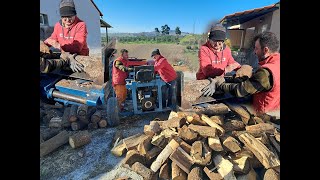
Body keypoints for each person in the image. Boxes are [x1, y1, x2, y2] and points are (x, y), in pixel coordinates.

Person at [201, 31, 280, 116]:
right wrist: (225, 78)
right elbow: (254, 80)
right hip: (275, 109)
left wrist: (219, 83)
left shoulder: (266, 72)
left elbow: (241, 90)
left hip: (264, 114)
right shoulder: (276, 63)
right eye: (214, 42)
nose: (254, 52)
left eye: (256, 48)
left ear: (265, 50)